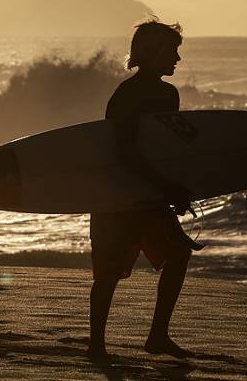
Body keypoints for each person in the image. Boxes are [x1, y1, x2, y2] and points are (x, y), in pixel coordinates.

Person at [88, 19, 202, 360]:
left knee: (179, 253)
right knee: (107, 273)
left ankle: (158, 336)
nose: (178, 60)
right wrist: (167, 187)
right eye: (172, 51)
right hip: (117, 195)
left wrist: (176, 187)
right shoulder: (128, 95)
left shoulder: (169, 94)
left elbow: (165, 148)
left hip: (151, 194)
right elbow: (125, 153)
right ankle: (96, 344)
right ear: (152, 53)